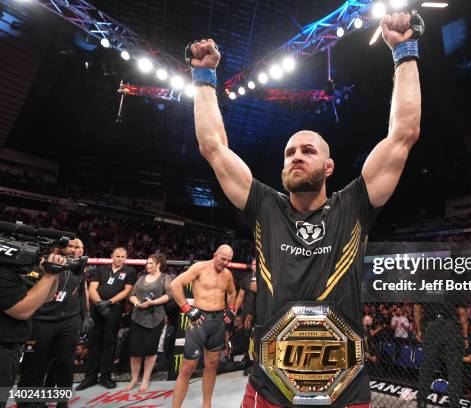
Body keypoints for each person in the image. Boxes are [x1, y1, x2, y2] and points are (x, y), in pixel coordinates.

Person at [187, 9, 421, 407]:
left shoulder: (354, 204)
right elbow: (213, 147)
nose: (297, 156)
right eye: (290, 152)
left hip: (344, 390)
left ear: (328, 166)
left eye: (308, 151)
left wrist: (405, 50)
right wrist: (204, 77)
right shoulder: (264, 205)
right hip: (270, 389)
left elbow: (403, 134)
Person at [18, 239, 88, 407]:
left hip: (69, 322)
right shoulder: (41, 265)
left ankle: (62, 402)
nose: (75, 250)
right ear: (60, 248)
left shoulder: (79, 268)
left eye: (79, 247)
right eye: (71, 246)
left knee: (65, 365)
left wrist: (85, 315)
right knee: (34, 365)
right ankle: (29, 403)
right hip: (41, 321)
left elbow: (80, 292)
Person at [169, 244, 237, 408]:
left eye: (229, 260)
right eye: (223, 259)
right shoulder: (199, 267)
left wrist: (232, 310)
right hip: (199, 320)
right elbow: (175, 285)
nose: (225, 263)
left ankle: (207, 405)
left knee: (212, 365)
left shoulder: (227, 274)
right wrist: (187, 308)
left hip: (218, 321)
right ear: (215, 254)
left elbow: (232, 292)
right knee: (187, 368)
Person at [0, 252, 64, 404]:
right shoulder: (4, 273)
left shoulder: (20, 270)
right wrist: (49, 275)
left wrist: (52, 275)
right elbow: (22, 311)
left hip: (12, 344)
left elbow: (46, 297)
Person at [77, 247, 136, 390]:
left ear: (126, 257)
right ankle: (90, 377)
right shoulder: (102, 269)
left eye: (122, 256)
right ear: (112, 256)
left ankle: (106, 377)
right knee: (93, 342)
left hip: (114, 310)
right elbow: (92, 288)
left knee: (109, 344)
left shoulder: (129, 271)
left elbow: (127, 291)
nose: (120, 258)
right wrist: (99, 304)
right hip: (97, 309)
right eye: (117, 256)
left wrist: (109, 303)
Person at [125, 253, 172, 392]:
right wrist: (137, 302)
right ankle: (134, 379)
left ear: (158, 264)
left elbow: (169, 295)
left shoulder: (165, 278)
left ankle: (145, 380)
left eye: (151, 263)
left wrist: (152, 303)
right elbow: (131, 295)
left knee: (150, 350)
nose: (148, 265)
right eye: (147, 263)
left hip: (155, 318)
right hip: (137, 317)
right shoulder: (141, 278)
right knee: (135, 351)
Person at [413, 302, 469, 408]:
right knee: (454, 372)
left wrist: (419, 330)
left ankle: (421, 403)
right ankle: (454, 404)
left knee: (426, 369)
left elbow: (417, 311)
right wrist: (465, 336)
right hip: (452, 328)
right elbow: (463, 314)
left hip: (432, 327)